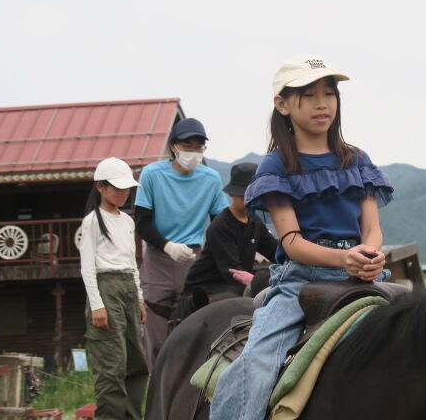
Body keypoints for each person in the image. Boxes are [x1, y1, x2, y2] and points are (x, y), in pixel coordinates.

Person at [210, 55, 394, 420]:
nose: (322, 103)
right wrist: (344, 258)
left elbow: (371, 228)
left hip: (362, 276)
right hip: (301, 284)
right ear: (282, 104)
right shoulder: (277, 165)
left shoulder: (357, 160)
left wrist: (370, 254)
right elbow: (291, 242)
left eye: (329, 93)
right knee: (258, 361)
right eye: (308, 95)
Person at [135, 118, 228, 371]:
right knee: (155, 332)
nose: (193, 152)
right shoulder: (152, 174)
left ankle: (192, 386)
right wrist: (167, 246)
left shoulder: (211, 178)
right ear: (174, 147)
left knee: (195, 326)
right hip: (158, 258)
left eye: (199, 147)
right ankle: (157, 385)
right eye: (188, 146)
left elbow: (220, 224)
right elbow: (142, 222)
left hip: (193, 258)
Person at [79, 157, 148, 420]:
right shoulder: (92, 221)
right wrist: (97, 305)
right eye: (117, 188)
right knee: (112, 364)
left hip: (128, 287)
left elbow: (132, 263)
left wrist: (139, 298)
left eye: (126, 188)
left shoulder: (128, 221)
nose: (123, 193)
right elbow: (87, 267)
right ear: (101, 187)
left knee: (136, 362)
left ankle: (132, 416)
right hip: (105, 287)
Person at [181, 162, 278, 298]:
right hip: (205, 290)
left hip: (232, 288)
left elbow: (274, 250)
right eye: (244, 195)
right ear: (232, 194)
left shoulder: (255, 222)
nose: (249, 200)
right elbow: (233, 271)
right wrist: (258, 282)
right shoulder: (221, 225)